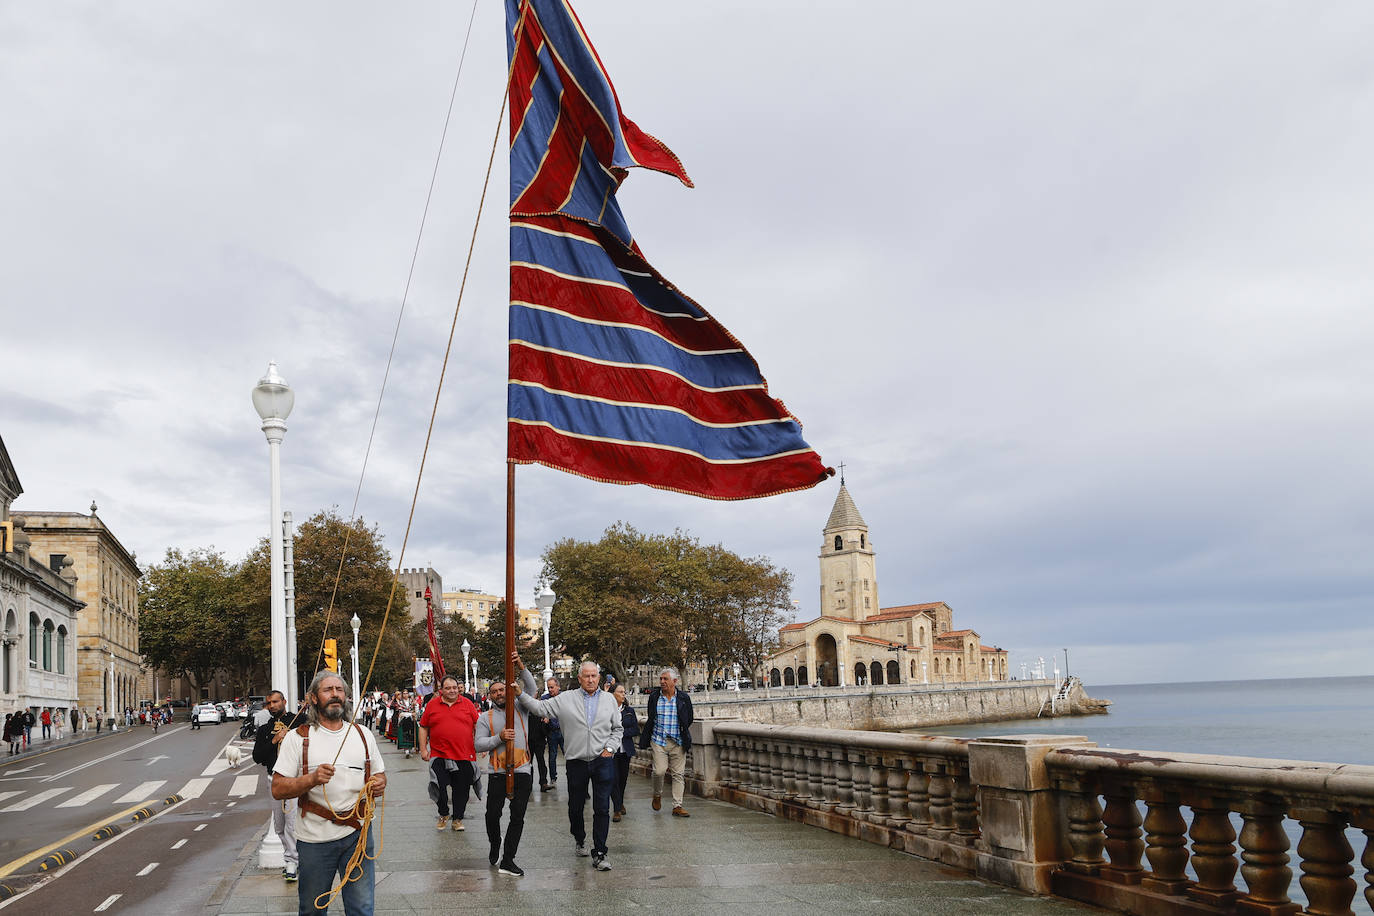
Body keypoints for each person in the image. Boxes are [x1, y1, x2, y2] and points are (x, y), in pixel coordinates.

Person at [272, 671, 386, 916]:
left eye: (339, 689)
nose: (335, 694)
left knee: (362, 909)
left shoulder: (362, 735)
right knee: (312, 909)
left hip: (358, 834)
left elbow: (380, 774)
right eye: (328, 690)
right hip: (314, 841)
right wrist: (311, 779)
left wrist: (378, 784)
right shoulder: (298, 738)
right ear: (313, 698)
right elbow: (278, 788)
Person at [514, 653, 621, 871]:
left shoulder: (609, 700)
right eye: (586, 676)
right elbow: (540, 708)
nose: (590, 680)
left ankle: (600, 852)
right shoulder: (566, 698)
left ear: (599, 678)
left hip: (603, 760)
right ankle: (579, 838)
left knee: (602, 807)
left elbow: (617, 729)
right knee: (576, 806)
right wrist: (521, 695)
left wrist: (610, 748)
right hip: (576, 761)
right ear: (579, 678)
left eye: (594, 676)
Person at [474, 678, 533, 877]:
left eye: (502, 690)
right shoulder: (485, 717)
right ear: (490, 696)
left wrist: (521, 666)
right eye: (494, 691)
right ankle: (495, 842)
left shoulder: (521, 708)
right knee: (492, 814)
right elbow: (479, 744)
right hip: (498, 772)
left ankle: (508, 859)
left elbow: (532, 688)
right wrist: (499, 737)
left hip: (522, 770)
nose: (499, 693)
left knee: (517, 817)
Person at [255, 690, 305, 882]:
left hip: (293, 779)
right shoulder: (264, 730)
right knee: (279, 826)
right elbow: (257, 757)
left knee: (292, 822)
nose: (272, 705)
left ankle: (292, 861)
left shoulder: (298, 721)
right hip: (273, 779)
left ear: (284, 701)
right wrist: (273, 740)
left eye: (275, 701)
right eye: (269, 703)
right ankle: (291, 856)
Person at [417, 675, 479, 832]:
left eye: (454, 687)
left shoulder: (467, 703)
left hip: (464, 755)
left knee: (462, 790)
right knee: (439, 786)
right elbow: (423, 727)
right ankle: (443, 813)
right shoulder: (432, 705)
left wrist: (482, 745)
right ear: (441, 690)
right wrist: (424, 749)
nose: (452, 691)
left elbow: (478, 725)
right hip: (439, 755)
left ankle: (457, 819)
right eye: (448, 688)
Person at [639, 666, 694, 817]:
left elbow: (689, 718)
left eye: (665, 679)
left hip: (678, 741)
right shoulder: (654, 697)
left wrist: (681, 733)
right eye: (661, 679)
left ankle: (677, 806)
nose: (662, 682)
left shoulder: (683, 698)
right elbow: (651, 717)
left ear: (674, 681)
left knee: (678, 774)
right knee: (659, 771)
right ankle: (657, 794)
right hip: (659, 740)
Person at [610, 684, 640, 822]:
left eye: (624, 692)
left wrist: (621, 733)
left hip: (625, 750)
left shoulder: (629, 711)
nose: (623, 694)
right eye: (620, 692)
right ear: (613, 694)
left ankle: (620, 801)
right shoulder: (607, 711)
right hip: (611, 751)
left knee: (623, 779)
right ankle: (616, 809)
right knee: (613, 779)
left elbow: (635, 729)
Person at [539, 676, 563, 785]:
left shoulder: (564, 697)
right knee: (552, 756)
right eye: (548, 688)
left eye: (552, 687)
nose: (550, 690)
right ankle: (553, 777)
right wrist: (544, 718)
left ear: (558, 686)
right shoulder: (544, 699)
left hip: (564, 731)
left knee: (568, 754)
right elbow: (541, 711)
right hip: (551, 732)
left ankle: (572, 775)